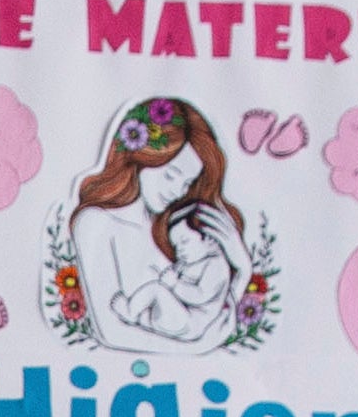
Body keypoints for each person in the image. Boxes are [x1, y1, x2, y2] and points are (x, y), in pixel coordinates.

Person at [60, 96, 252, 351]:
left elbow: (212, 313)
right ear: (143, 157)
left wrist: (243, 270)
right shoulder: (96, 223)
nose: (178, 191)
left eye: (187, 183)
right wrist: (198, 347)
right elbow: (112, 332)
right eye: (171, 175)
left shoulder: (176, 229)